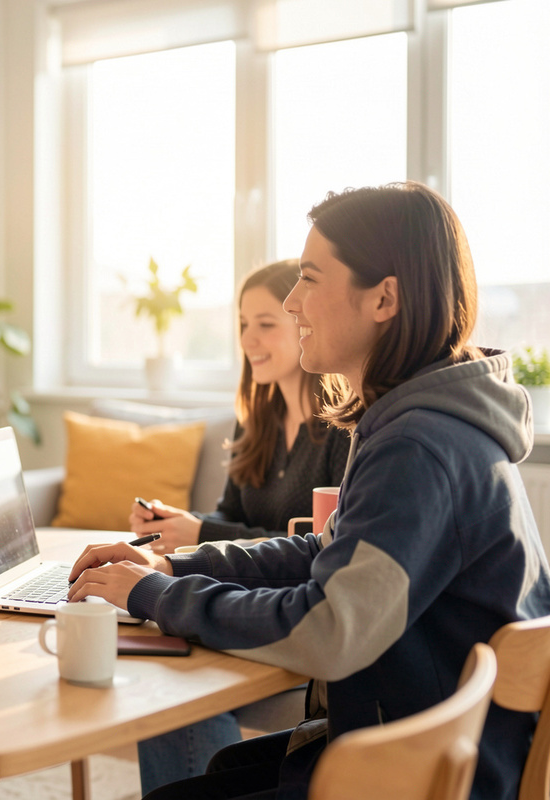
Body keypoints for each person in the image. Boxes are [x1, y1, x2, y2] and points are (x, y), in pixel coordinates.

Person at [68, 181, 550, 800]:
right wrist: (171, 565)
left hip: (427, 772)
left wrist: (156, 594)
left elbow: (328, 629)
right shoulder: (418, 424)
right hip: (429, 741)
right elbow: (324, 551)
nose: (294, 301)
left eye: (310, 279)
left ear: (384, 298)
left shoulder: (418, 446)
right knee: (221, 770)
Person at [132, 260, 351, 793]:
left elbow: (316, 549)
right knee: (157, 663)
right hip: (243, 596)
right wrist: (182, 528)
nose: (249, 339)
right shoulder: (257, 418)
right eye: (243, 324)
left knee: (174, 680)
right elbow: (233, 519)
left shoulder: (342, 429)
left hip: (288, 616)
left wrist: (202, 535)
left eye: (266, 324)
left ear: (301, 321)